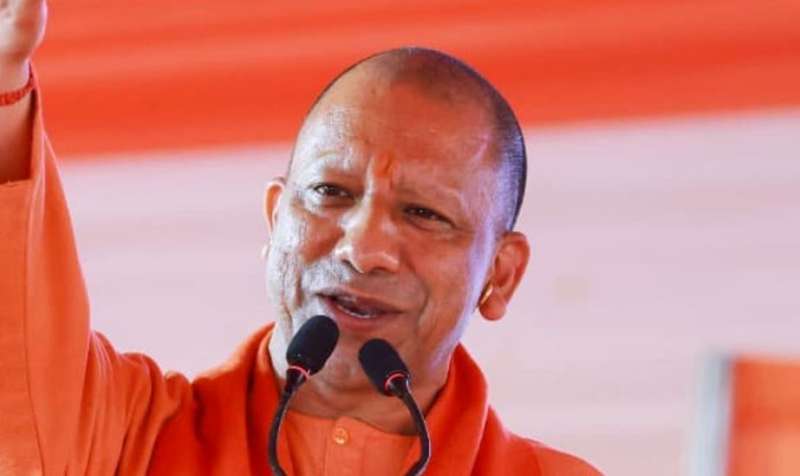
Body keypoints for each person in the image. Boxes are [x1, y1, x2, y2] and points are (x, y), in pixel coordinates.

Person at [0, 1, 601, 474]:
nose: (363, 249)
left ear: (500, 275)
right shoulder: (126, 438)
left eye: (423, 213)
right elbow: (20, 354)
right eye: (331, 192)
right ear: (275, 220)